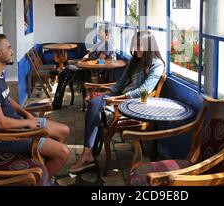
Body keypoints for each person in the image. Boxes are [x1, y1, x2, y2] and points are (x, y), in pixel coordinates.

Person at [0, 34, 71, 179]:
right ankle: (42, 181)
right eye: (8, 48)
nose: (11, 51)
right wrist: (27, 123)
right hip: (5, 137)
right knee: (63, 153)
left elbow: (8, 99)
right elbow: (0, 123)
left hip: (18, 125)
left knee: (64, 131)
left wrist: (26, 114)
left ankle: (45, 168)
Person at [69, 31, 165, 173]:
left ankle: (88, 156)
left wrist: (118, 98)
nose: (137, 48)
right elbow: (120, 83)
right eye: (135, 44)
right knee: (95, 103)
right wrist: (106, 94)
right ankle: (88, 155)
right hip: (120, 97)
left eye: (140, 45)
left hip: (133, 104)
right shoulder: (135, 60)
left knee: (95, 106)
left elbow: (144, 90)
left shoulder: (156, 65)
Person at [52, 24, 116, 110]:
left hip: (92, 72)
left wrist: (83, 63)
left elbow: (99, 62)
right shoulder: (100, 43)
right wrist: (86, 57)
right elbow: (90, 53)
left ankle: (56, 102)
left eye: (100, 31)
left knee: (67, 70)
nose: (98, 33)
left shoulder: (107, 45)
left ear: (106, 34)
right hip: (86, 68)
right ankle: (57, 102)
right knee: (64, 75)